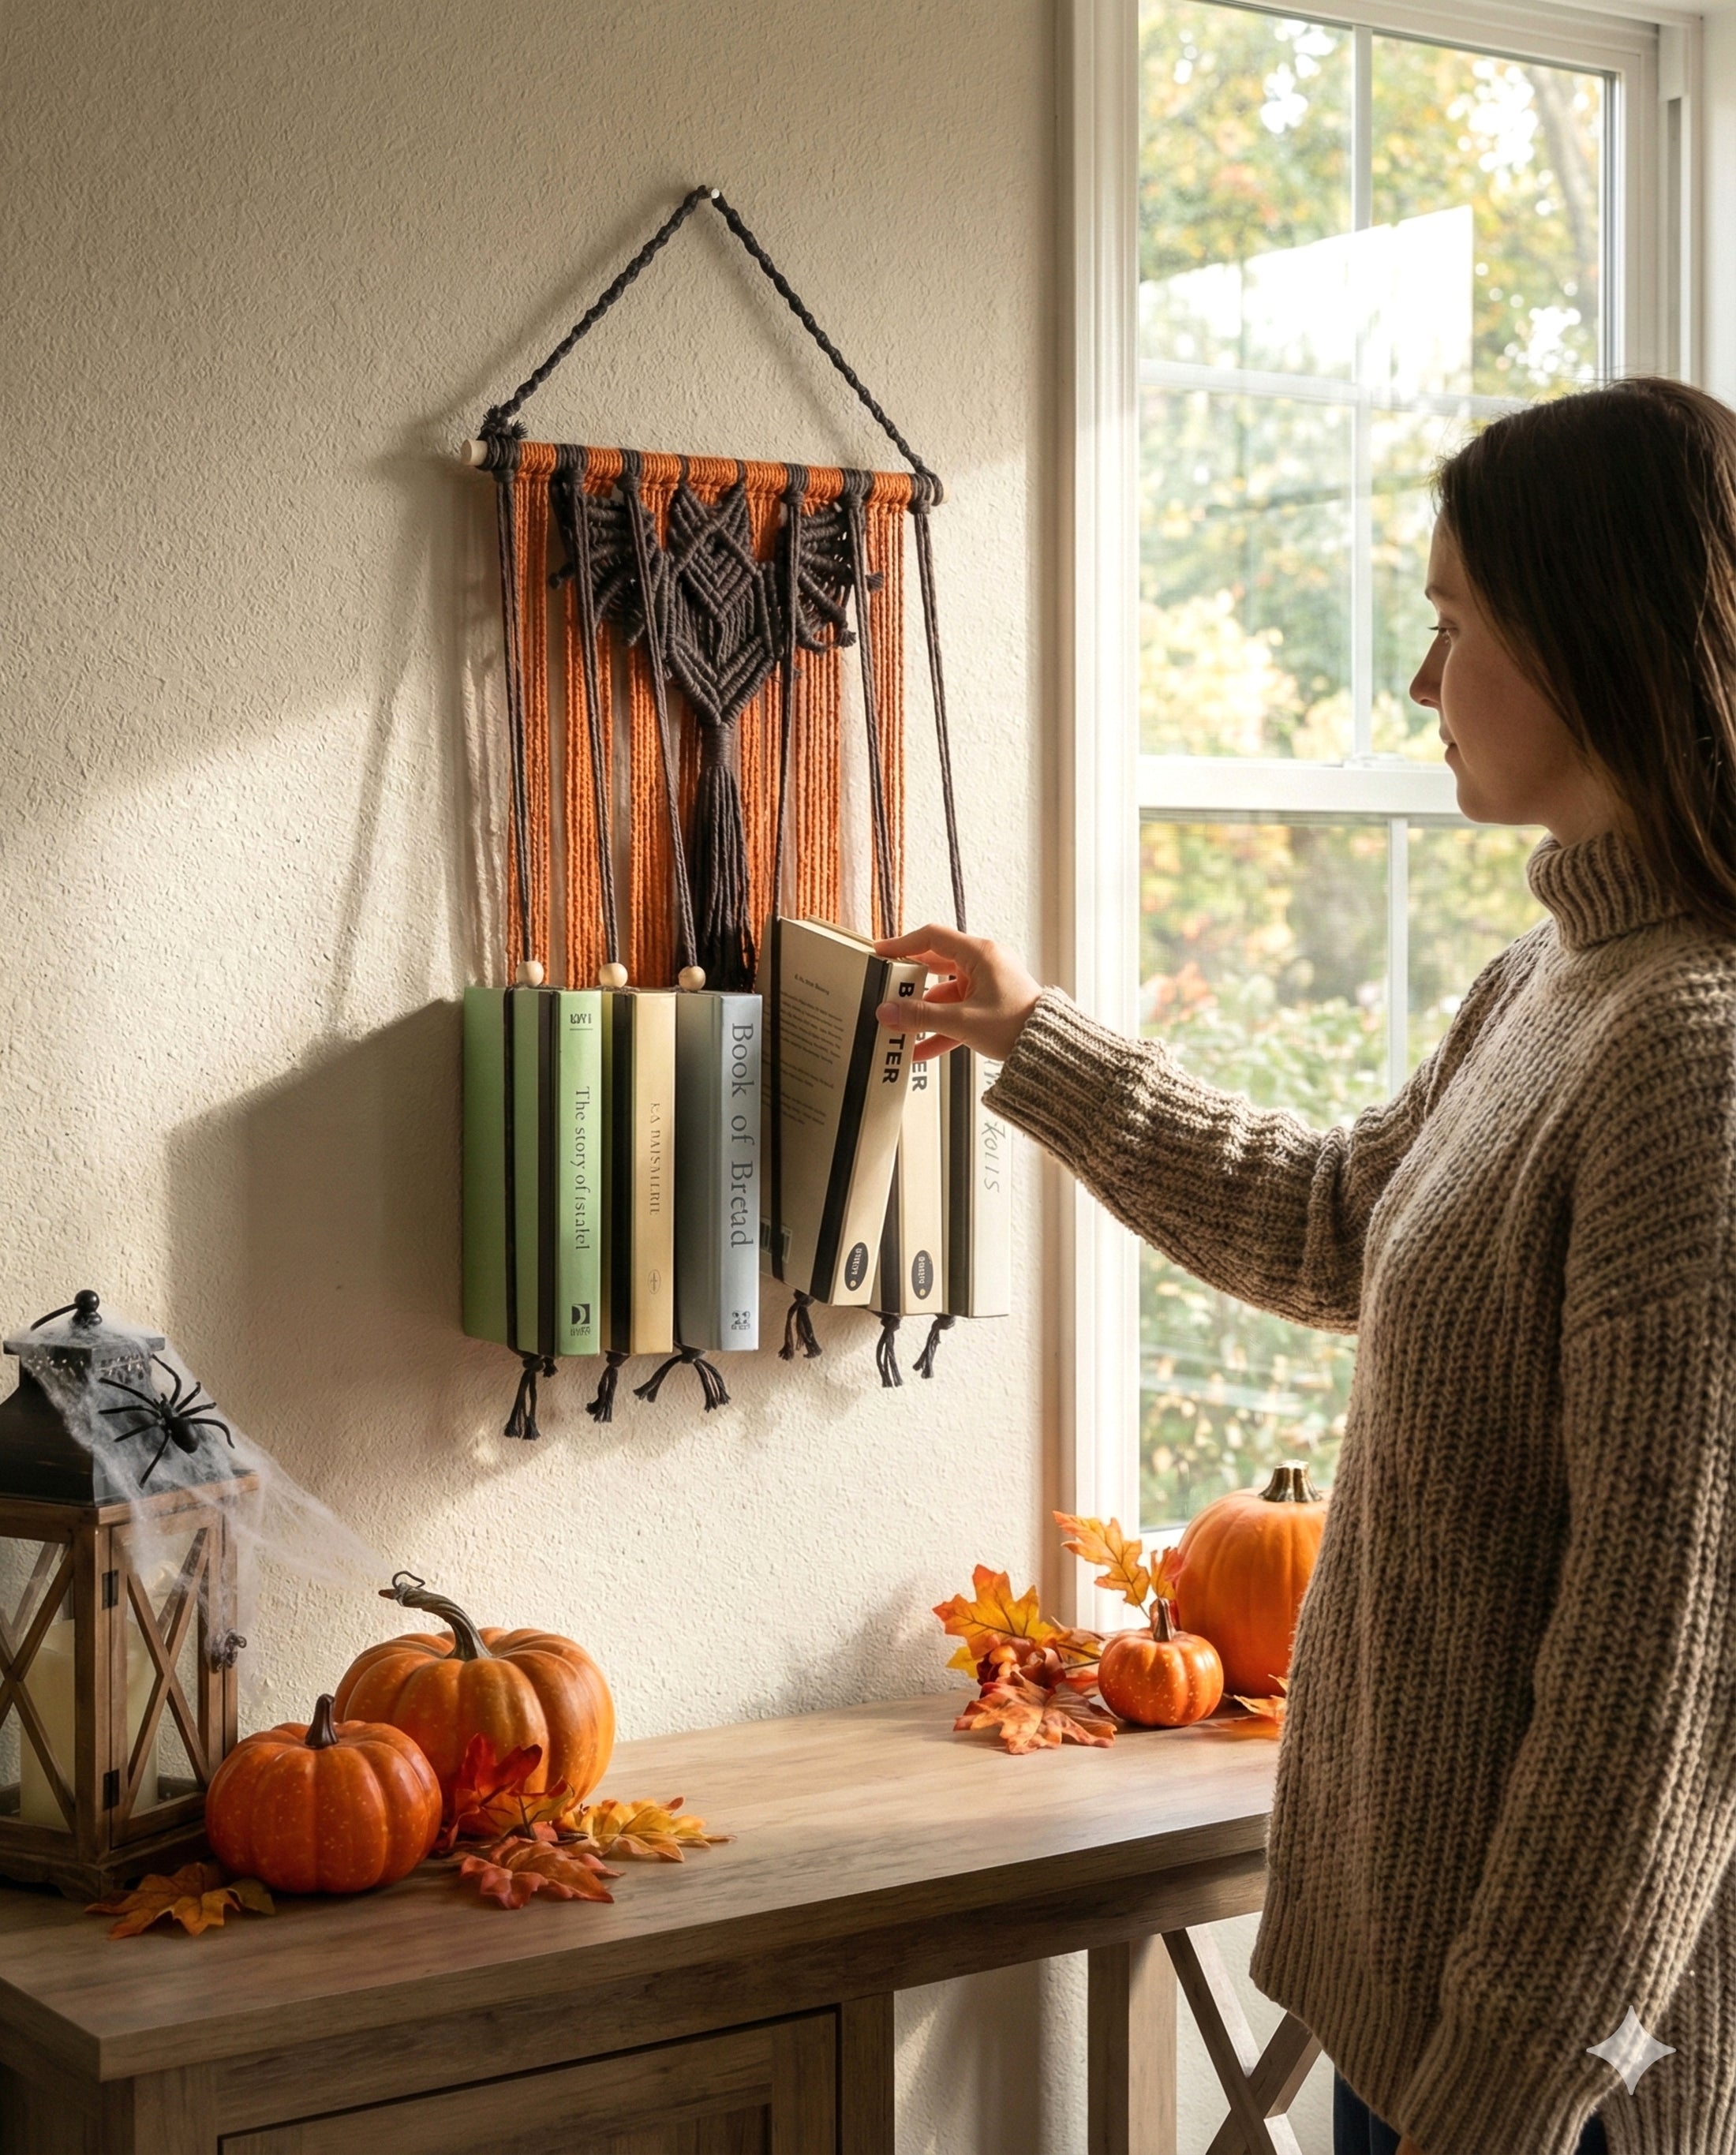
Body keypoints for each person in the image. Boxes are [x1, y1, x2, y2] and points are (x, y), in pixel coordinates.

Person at [876, 376, 1736, 2155]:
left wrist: (1508, 2092)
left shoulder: (1692, 1054)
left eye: (1452, 624)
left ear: (1592, 642)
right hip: (1409, 2007)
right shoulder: (1551, 982)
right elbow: (1334, 1220)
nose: (1419, 683)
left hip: (1545, 2082)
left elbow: (1659, 1679)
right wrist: (1033, 1038)